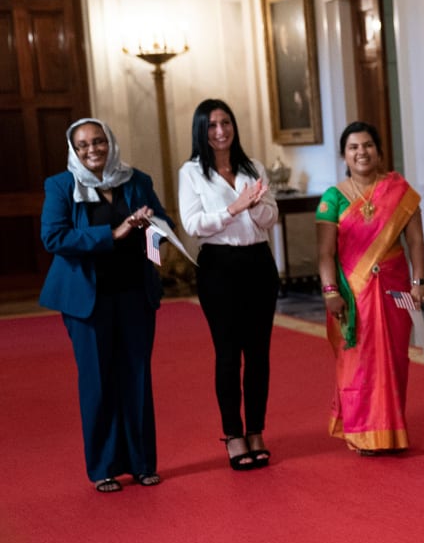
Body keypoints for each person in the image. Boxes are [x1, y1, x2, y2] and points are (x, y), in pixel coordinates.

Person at [39, 118, 170, 492]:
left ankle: (143, 463)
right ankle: (103, 468)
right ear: (73, 150)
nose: (92, 150)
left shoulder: (137, 180)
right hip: (87, 300)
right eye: (83, 145)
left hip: (135, 293)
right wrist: (114, 233)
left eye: (98, 142)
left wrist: (152, 230)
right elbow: (54, 236)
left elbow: (163, 227)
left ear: (110, 143)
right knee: (98, 381)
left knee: (137, 377)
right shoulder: (62, 185)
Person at [179, 99, 279, 471]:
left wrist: (254, 207)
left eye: (226, 123)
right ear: (201, 132)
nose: (220, 131)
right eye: (211, 126)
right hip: (219, 267)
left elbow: (271, 217)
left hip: (258, 264)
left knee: (258, 354)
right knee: (227, 353)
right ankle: (233, 435)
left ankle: (256, 430)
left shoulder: (252, 167)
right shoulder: (190, 173)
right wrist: (233, 209)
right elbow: (193, 224)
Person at [315, 121, 424, 455]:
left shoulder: (399, 191)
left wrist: (419, 282)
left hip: (394, 289)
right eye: (353, 147)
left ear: (378, 150)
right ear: (344, 155)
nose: (361, 152)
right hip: (353, 292)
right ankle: (362, 432)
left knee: (394, 359)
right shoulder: (332, 198)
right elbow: (325, 252)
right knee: (357, 362)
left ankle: (390, 431)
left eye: (367, 145)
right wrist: (330, 291)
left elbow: (417, 240)